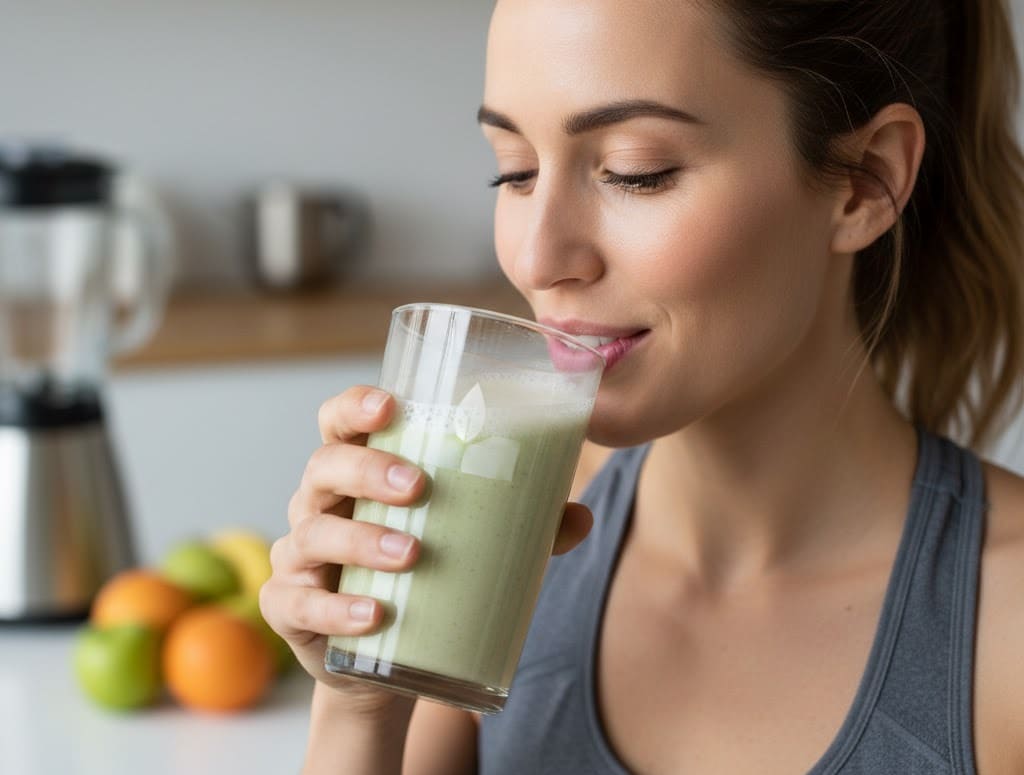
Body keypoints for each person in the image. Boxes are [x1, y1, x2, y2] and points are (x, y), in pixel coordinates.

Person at [259, 0, 1024, 772]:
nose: (536, 259)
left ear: (865, 182)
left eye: (636, 172)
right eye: (515, 171)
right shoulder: (507, 546)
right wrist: (357, 706)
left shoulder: (1006, 622)